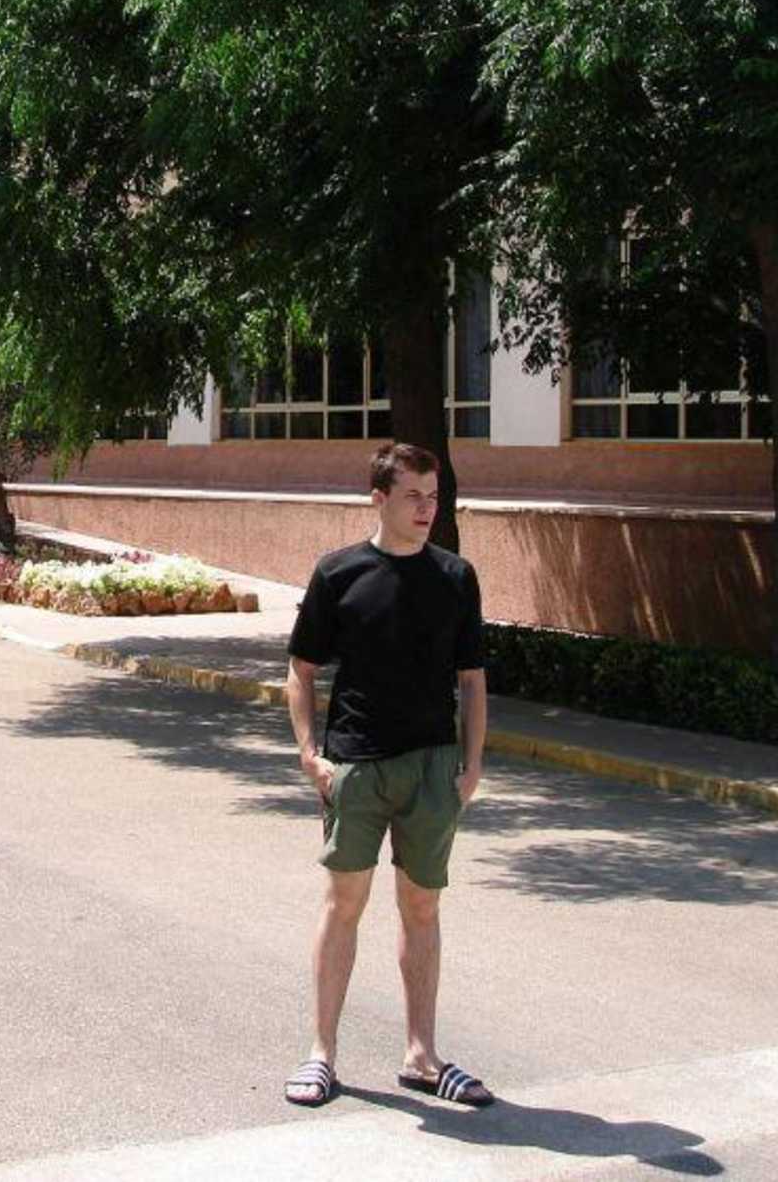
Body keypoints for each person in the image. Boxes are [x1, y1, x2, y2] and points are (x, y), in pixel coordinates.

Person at [283, 440, 492, 1110]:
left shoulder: (455, 577)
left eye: (433, 497)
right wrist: (309, 753)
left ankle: (422, 1056)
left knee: (422, 907)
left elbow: (472, 680)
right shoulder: (339, 573)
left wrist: (472, 764)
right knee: (343, 903)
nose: (426, 509)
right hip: (356, 764)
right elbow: (301, 670)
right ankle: (321, 1054)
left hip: (432, 767)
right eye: (412, 496)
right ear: (379, 499)